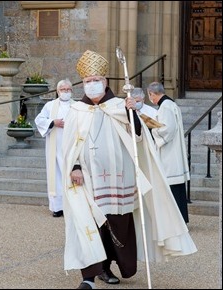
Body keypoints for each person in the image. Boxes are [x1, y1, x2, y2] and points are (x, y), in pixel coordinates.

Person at [62, 50, 197, 289]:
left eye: (96, 80)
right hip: (88, 179)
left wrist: (132, 112)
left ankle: (117, 265)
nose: (92, 84)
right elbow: (69, 145)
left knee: (118, 225)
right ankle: (90, 276)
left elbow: (138, 135)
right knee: (90, 224)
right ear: (82, 84)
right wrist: (74, 167)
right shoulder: (76, 111)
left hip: (119, 179)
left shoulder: (119, 106)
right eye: (87, 81)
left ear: (105, 82)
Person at [147, 81, 190, 223]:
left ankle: (176, 221)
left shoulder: (165, 107)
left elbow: (168, 129)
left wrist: (152, 129)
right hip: (171, 152)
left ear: (152, 94)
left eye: (150, 96)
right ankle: (178, 220)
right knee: (175, 188)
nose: (150, 99)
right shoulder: (170, 104)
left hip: (169, 154)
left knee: (173, 188)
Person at [35, 79, 75, 217]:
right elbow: (39, 120)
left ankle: (73, 206)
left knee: (71, 173)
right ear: (58, 91)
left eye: (68, 89)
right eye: (63, 90)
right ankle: (57, 207)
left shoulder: (77, 106)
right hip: (55, 147)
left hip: (72, 147)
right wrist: (53, 122)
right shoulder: (50, 106)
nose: (66, 92)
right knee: (56, 175)